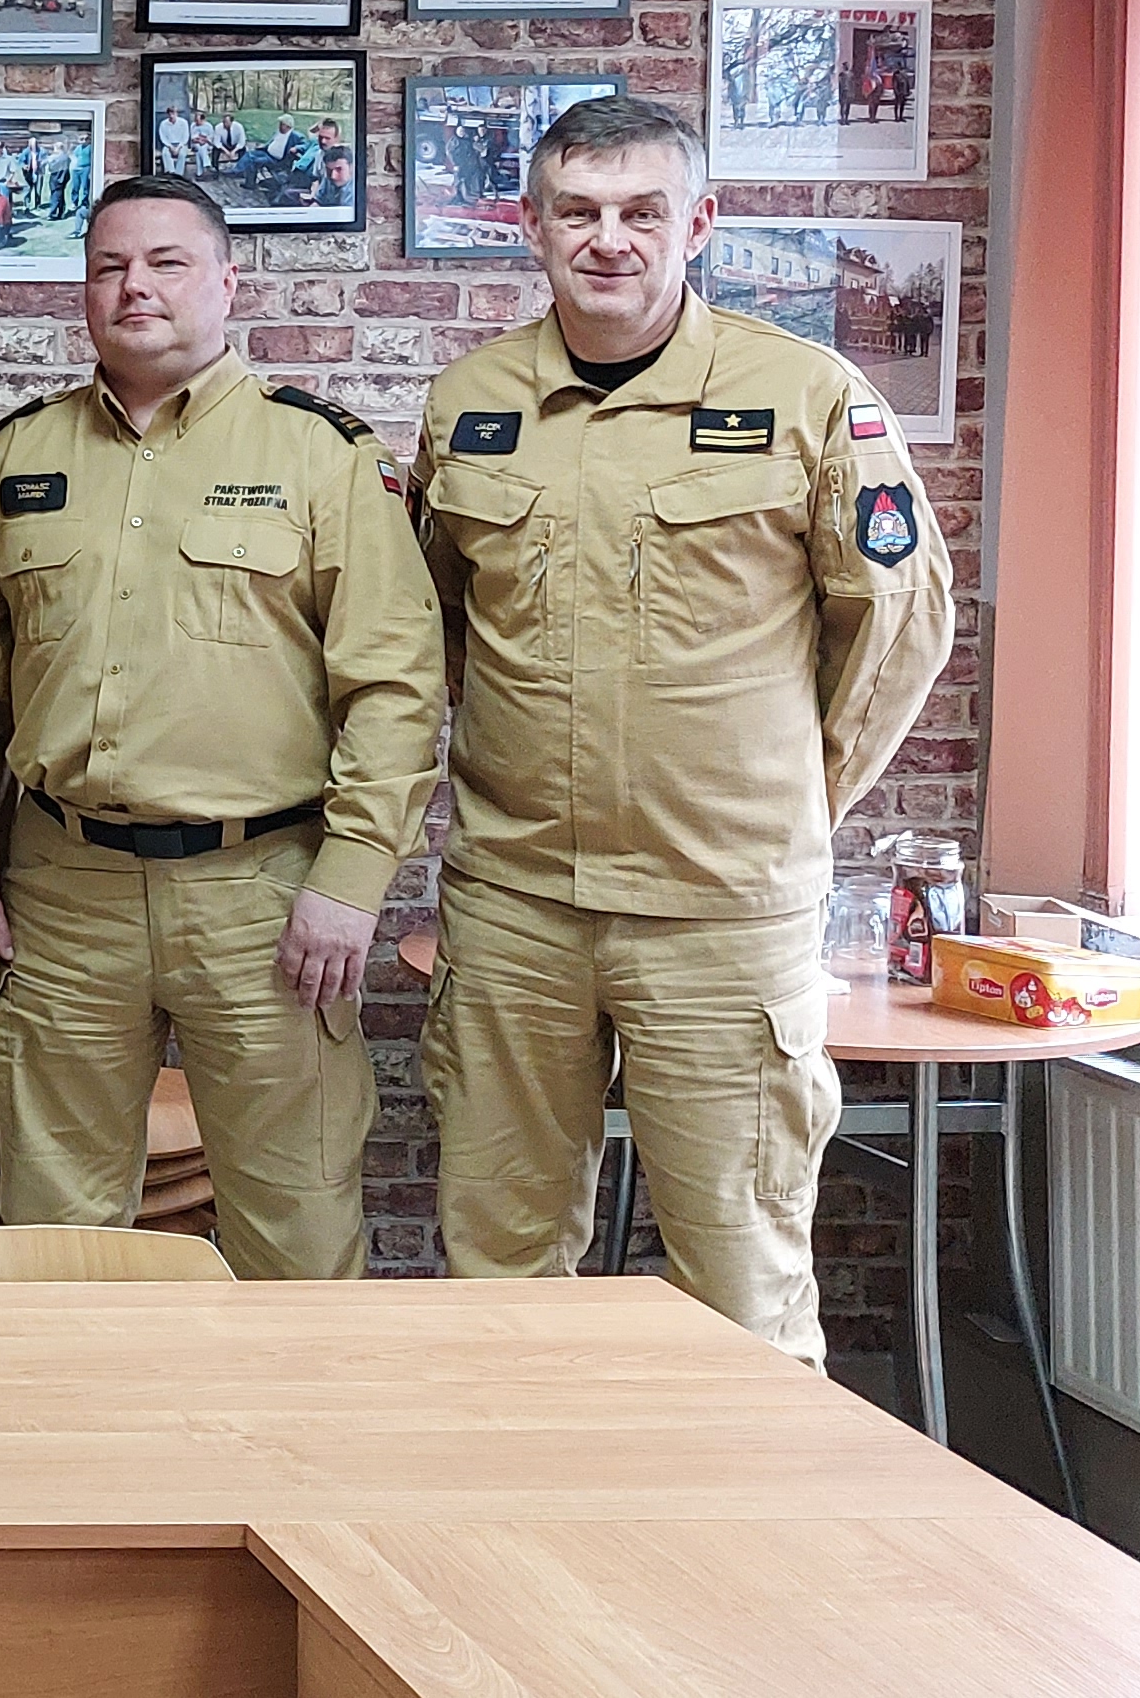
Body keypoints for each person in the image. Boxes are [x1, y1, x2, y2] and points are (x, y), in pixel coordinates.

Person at [414, 94, 953, 1363]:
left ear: (697, 224)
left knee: (740, 1285)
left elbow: (895, 626)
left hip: (719, 911)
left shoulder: (805, 395)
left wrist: (788, 798)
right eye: (578, 213)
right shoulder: (470, 401)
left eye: (641, 212)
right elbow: (440, 627)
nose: (609, 240)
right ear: (531, 227)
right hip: (516, 906)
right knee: (495, 1276)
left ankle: (748, 1506)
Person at [0, 173, 441, 1281]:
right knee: (56, 1239)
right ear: (83, 291)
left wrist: (350, 882)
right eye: (109, 266)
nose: (134, 286)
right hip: (62, 895)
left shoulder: (322, 455)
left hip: (266, 897)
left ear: (228, 282)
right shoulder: (16, 459)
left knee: (295, 1229)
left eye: (166, 262)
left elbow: (393, 690)